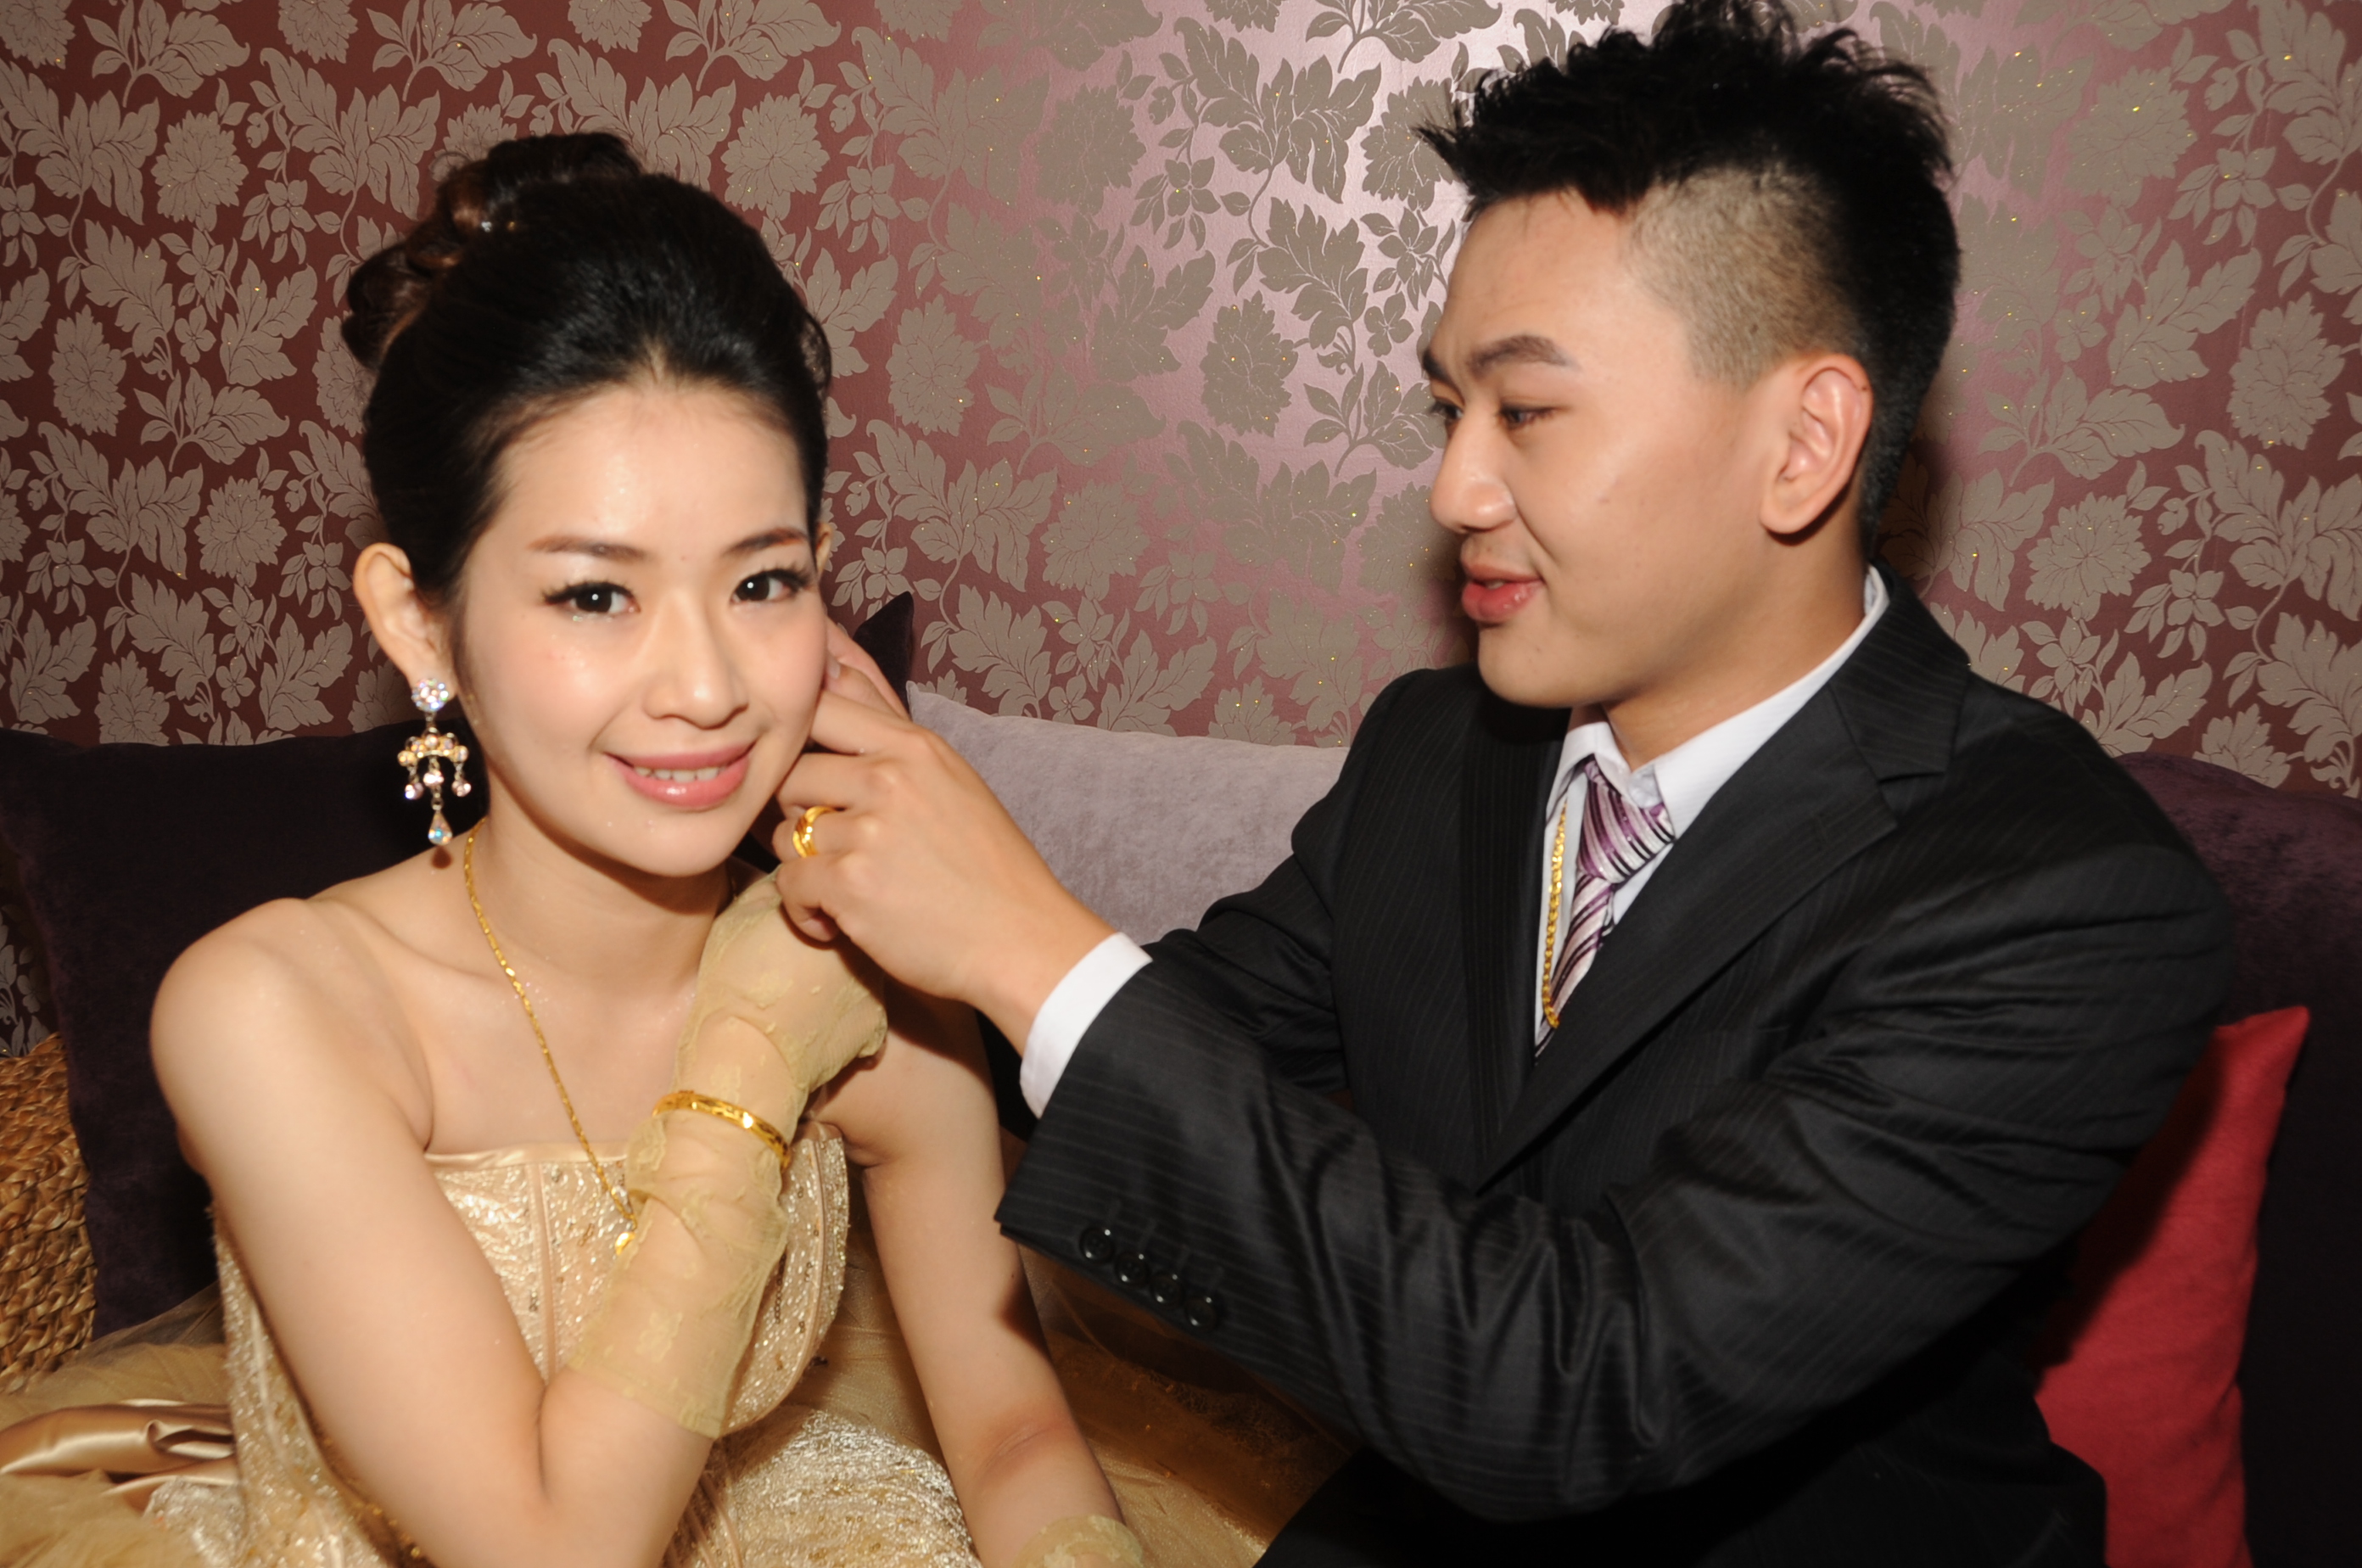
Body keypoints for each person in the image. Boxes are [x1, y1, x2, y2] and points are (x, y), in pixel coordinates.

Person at [769, 3, 2235, 1564]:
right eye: (1448, 412)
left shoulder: (2064, 901)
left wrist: (1020, 937)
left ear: (1806, 444)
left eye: (1526, 412)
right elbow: (1155, 1048)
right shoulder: (1442, 750)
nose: (1455, 487)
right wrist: (783, 807)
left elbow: (1585, 1383)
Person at [0, 133, 1175, 1568]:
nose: (706, 685)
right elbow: (549, 1550)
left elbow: (1014, 1435)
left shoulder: (875, 977)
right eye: (596, 597)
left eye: (762, 581)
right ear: (418, 623)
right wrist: (751, 1064)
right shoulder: (273, 1011)